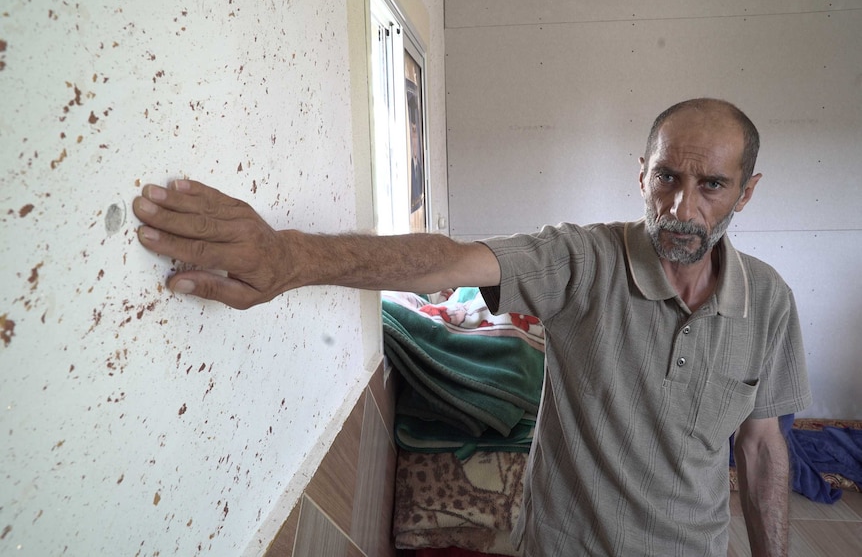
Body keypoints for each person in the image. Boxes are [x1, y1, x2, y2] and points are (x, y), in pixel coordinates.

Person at [133, 98, 811, 556]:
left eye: (711, 186)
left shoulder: (771, 304)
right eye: (666, 177)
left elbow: (760, 450)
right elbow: (450, 259)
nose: (680, 206)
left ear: (747, 191)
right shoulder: (584, 259)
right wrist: (293, 256)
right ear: (642, 174)